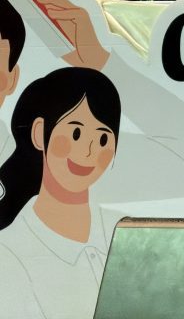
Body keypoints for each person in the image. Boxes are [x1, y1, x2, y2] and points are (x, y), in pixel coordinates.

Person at [0, 67, 121, 318]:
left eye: (103, 139)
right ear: (38, 133)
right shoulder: (9, 251)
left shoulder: (121, 228)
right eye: (76, 133)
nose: (88, 151)